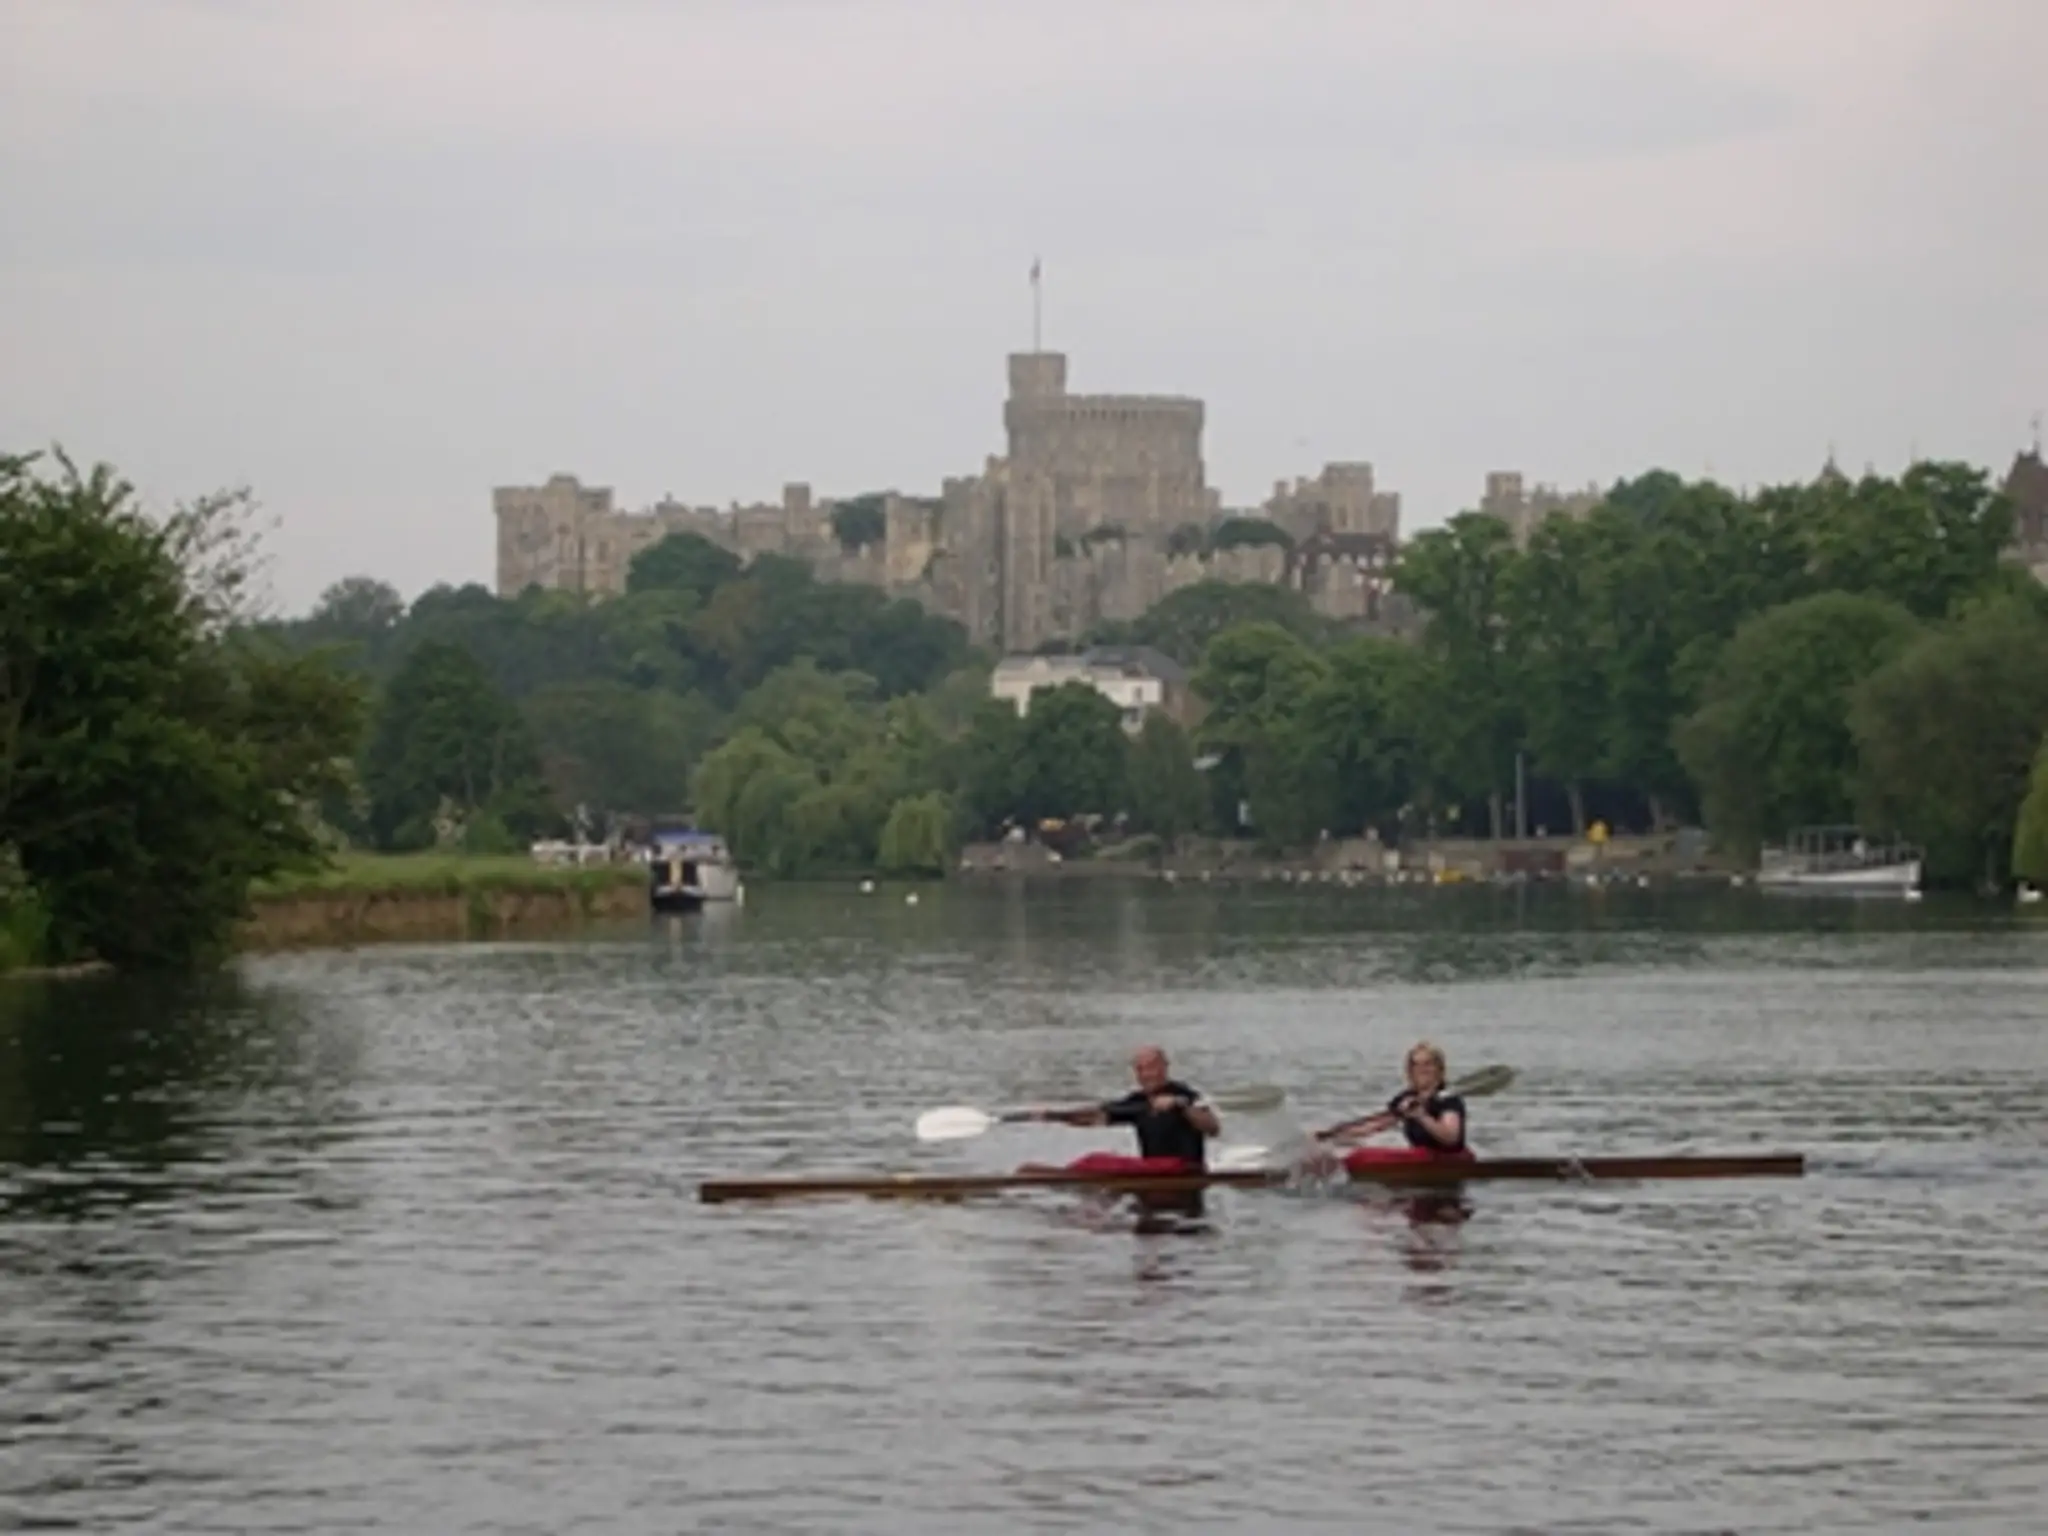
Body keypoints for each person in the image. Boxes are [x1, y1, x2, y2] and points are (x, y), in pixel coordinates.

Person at [1030, 1044, 1220, 1172]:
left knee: (1097, 1160)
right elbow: (1094, 1116)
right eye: (1140, 1070)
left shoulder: (1186, 1094)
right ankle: (1067, 1175)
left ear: (1164, 1068)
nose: (1145, 1075)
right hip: (1152, 1170)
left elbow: (1213, 1128)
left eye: (1150, 1068)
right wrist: (1053, 1116)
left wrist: (1180, 1106)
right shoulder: (1136, 1101)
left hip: (1184, 1169)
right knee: (1097, 1160)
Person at [1314, 1039, 1470, 1160]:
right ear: (1410, 1070)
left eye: (1428, 1064)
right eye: (1416, 1065)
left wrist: (1422, 1116)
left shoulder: (1449, 1099)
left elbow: (1451, 1137)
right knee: (1349, 1144)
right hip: (1423, 1156)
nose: (1422, 1070)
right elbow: (1376, 1125)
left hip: (1450, 1159)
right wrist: (1333, 1135)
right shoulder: (1406, 1098)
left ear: (1439, 1069)